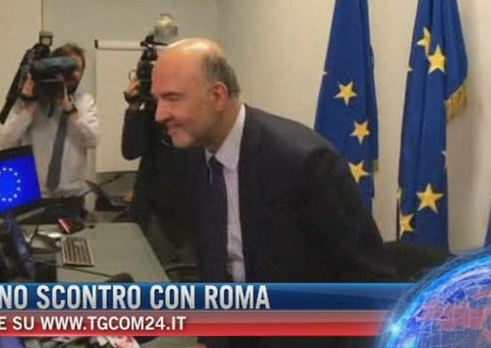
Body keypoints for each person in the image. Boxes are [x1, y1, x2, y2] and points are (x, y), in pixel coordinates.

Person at [151, 38, 393, 348]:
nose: (160, 114)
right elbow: (217, 265)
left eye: (172, 98)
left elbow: (370, 284)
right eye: (158, 100)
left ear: (217, 95)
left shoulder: (304, 161)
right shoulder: (196, 153)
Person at [0, 43, 99, 223]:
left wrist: (70, 111)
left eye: (78, 69)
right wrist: (30, 107)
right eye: (68, 68)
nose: (73, 74)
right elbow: (6, 142)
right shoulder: (31, 102)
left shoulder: (85, 102)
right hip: (35, 197)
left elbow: (93, 140)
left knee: (75, 241)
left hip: (72, 199)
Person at [121, 76, 194, 272]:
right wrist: (134, 108)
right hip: (151, 208)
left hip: (186, 210)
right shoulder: (152, 113)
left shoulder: (192, 115)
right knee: (149, 270)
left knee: (185, 273)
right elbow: (130, 151)